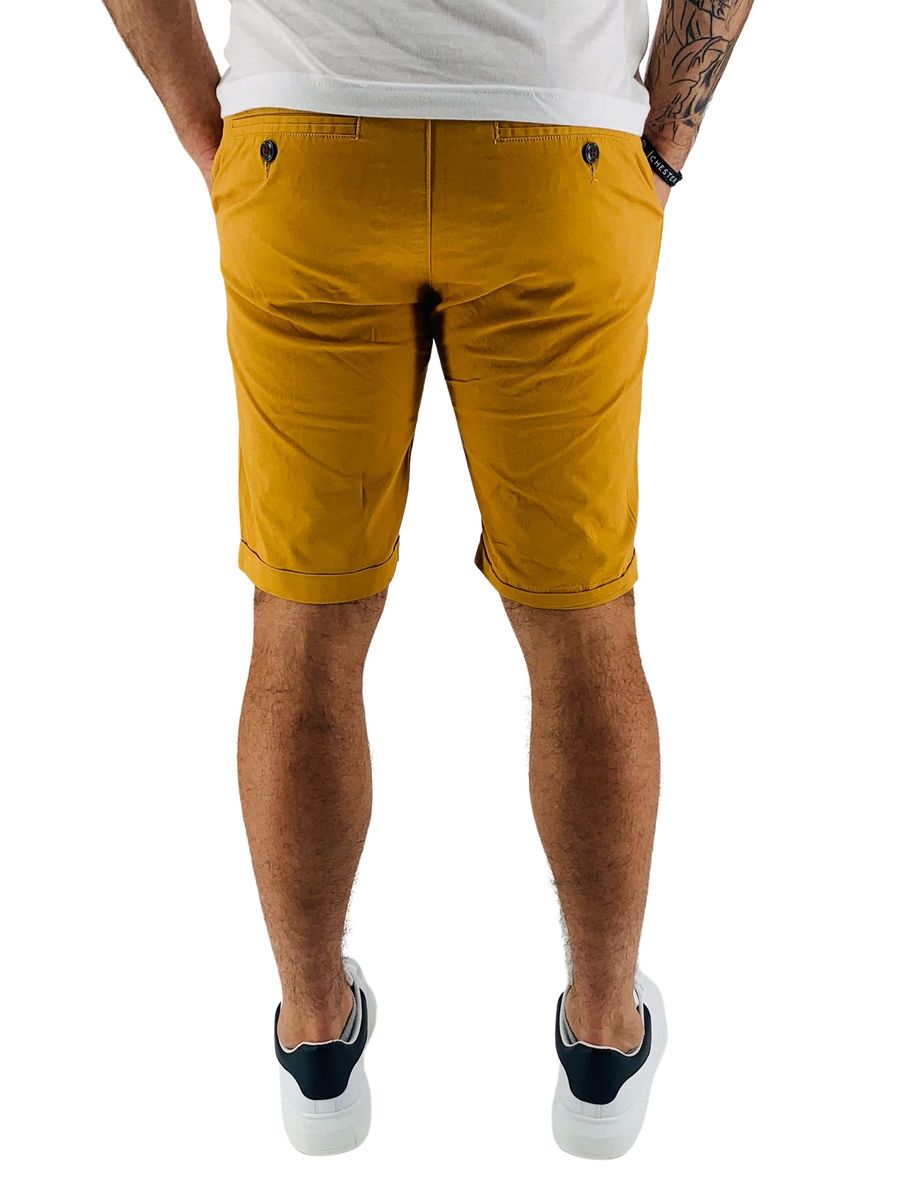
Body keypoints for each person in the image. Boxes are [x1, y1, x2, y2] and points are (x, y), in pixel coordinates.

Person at [104, 0, 754, 1159]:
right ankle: (604, 1039)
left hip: (305, 150)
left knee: (303, 622)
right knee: (583, 621)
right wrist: (665, 135)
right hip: (558, 152)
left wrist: (208, 121)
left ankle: (315, 1037)